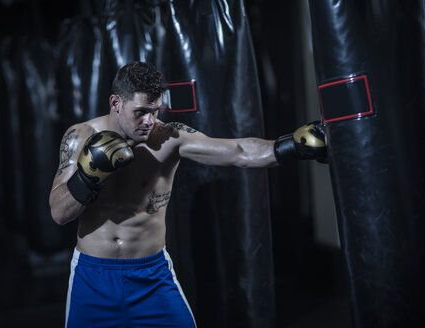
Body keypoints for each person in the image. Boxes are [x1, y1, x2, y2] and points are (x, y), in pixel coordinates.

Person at [49, 61, 326, 328]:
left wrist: (292, 147)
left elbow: (238, 152)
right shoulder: (80, 136)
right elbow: (59, 213)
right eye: (141, 111)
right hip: (93, 277)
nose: (149, 120)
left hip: (151, 276)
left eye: (155, 111)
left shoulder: (168, 138)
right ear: (115, 103)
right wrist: (87, 176)